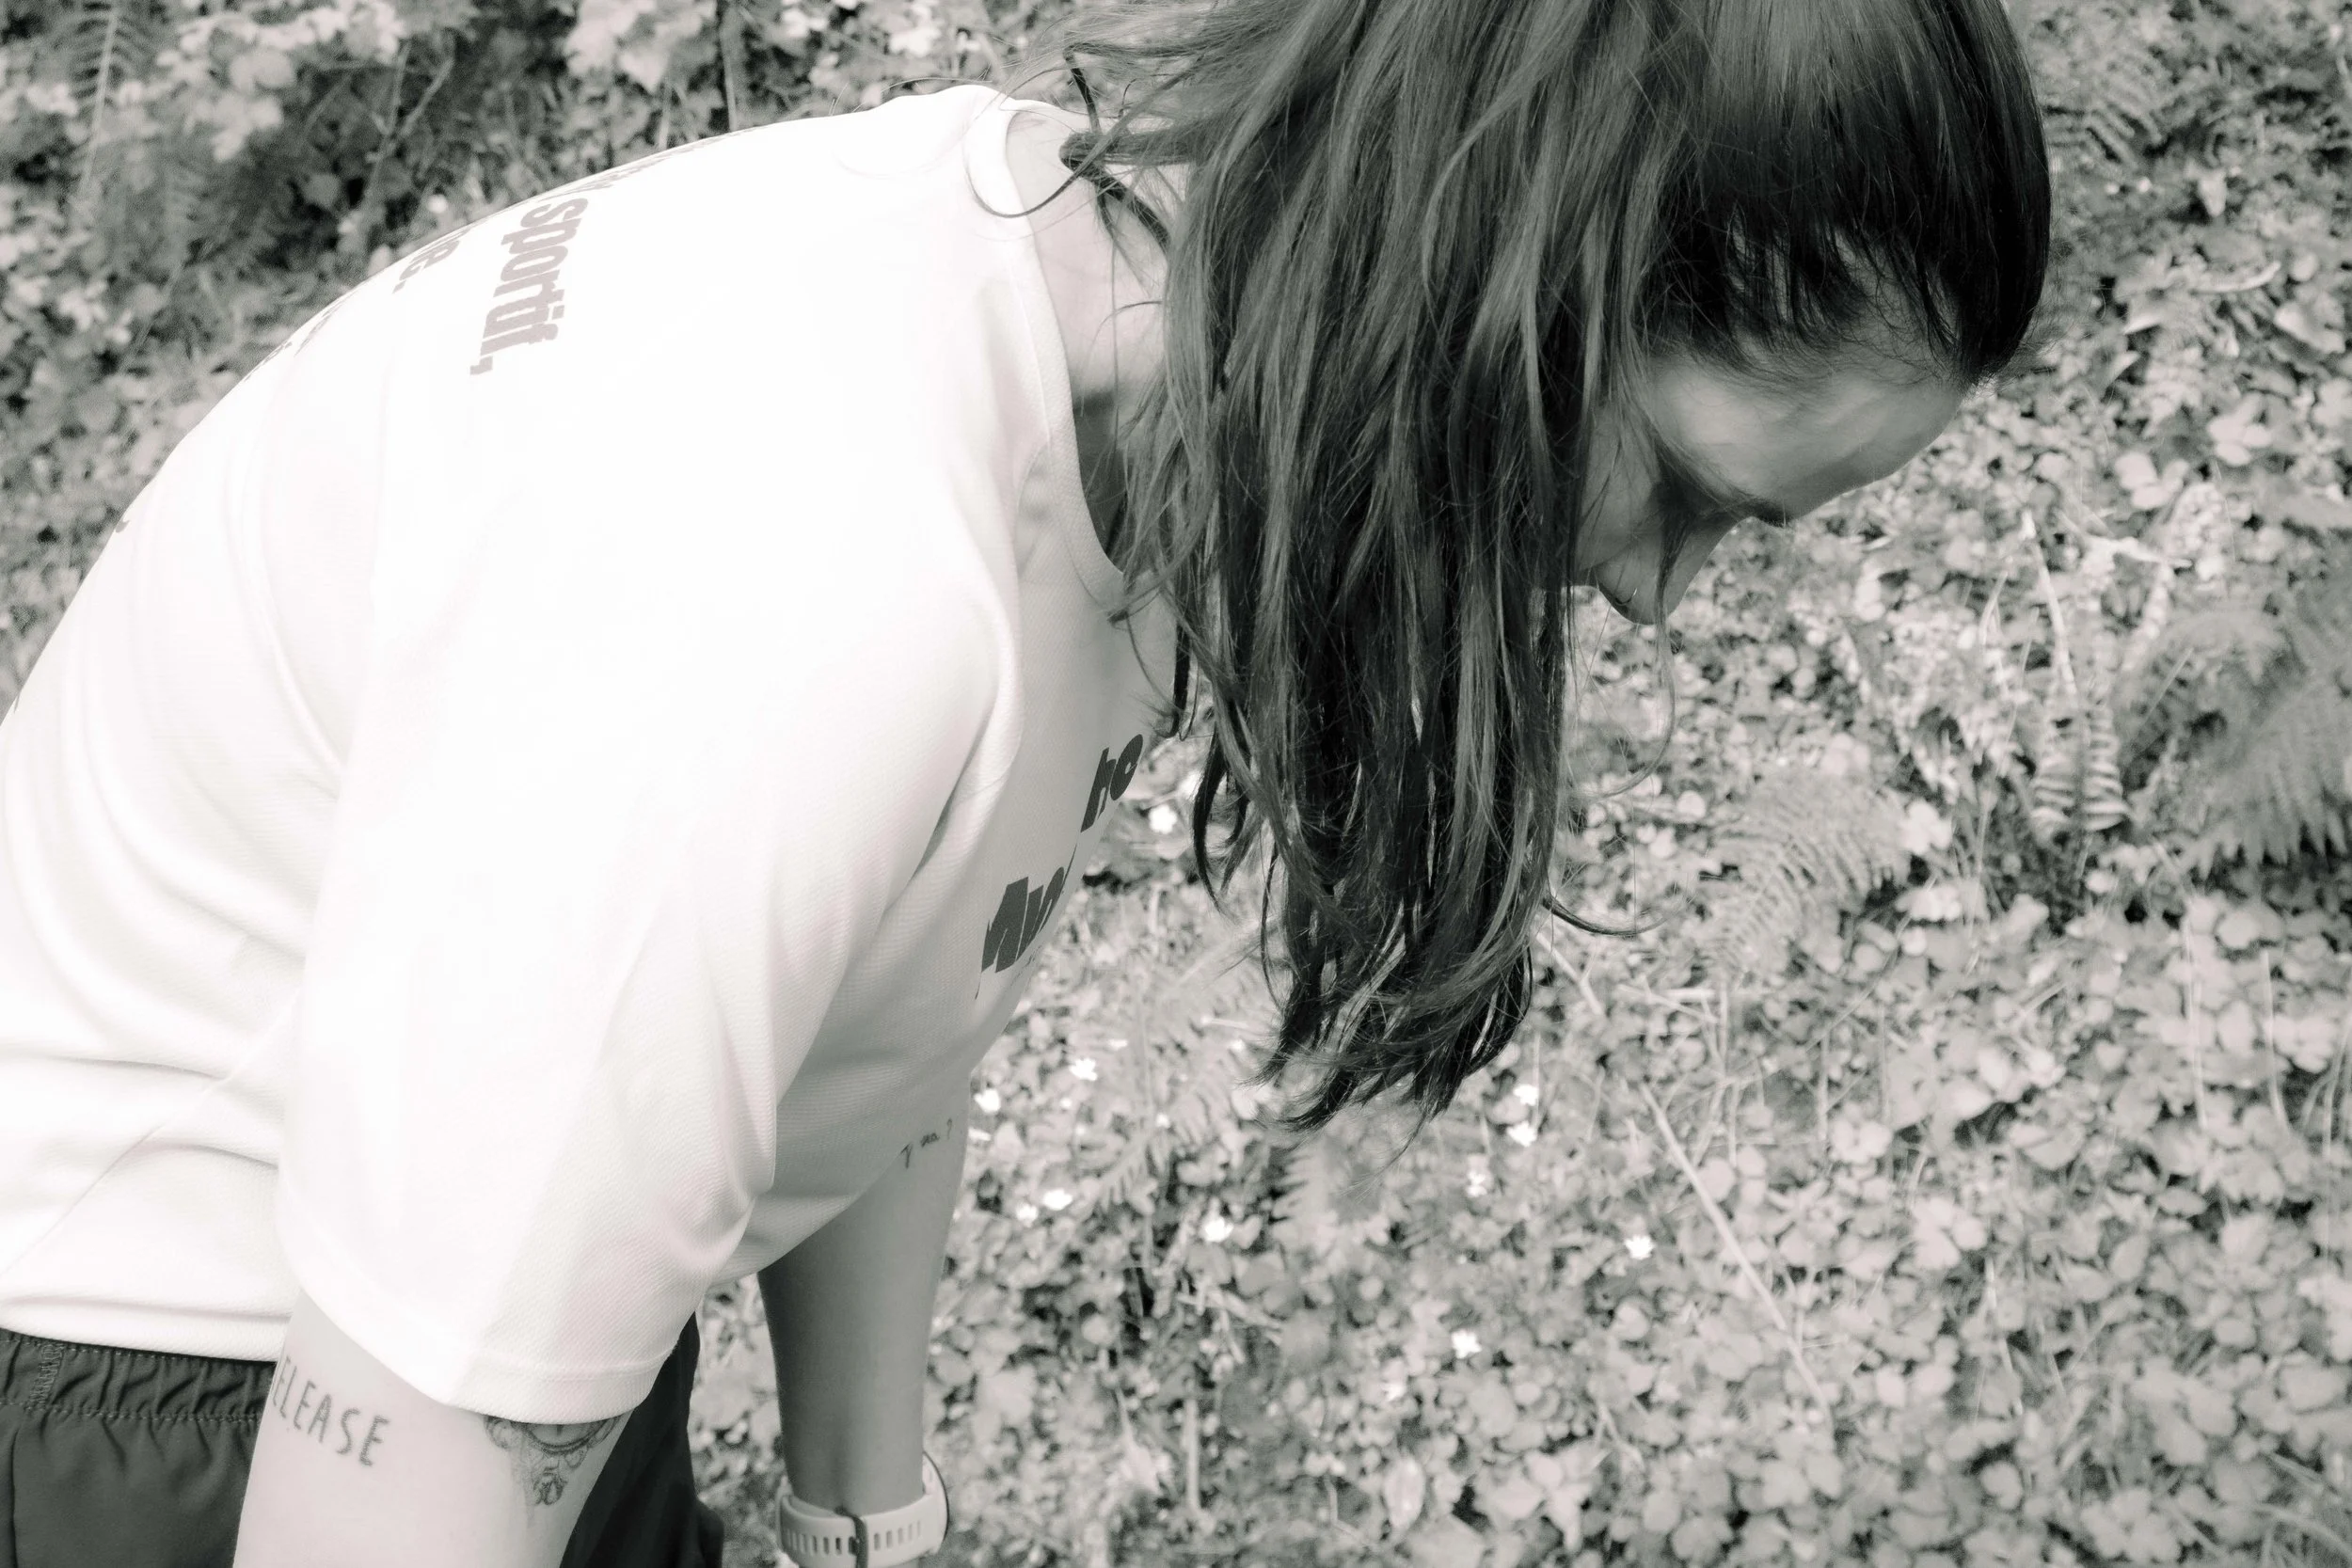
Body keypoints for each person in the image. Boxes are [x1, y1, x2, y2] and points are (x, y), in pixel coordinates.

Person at [0, 0, 2049, 1563]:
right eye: (1689, 489)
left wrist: (860, 1515)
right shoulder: (796, 599)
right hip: (176, 1375)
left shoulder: (1105, 312)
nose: (1662, 597)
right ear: (1512, 261)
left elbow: (892, 978)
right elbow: (396, 1457)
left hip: (443, 1305)